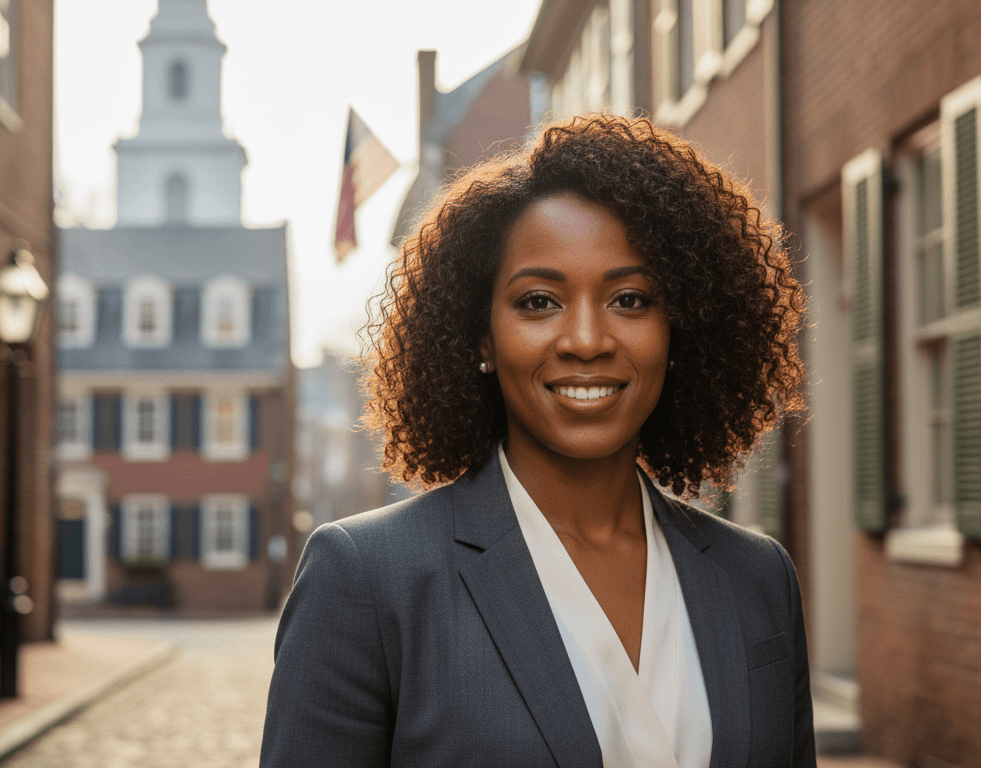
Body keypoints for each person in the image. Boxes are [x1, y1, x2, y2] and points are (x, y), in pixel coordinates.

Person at [261, 114, 813, 768]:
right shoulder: (368, 578)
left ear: (681, 326)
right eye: (539, 302)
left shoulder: (756, 577)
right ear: (480, 338)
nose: (585, 339)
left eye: (631, 299)